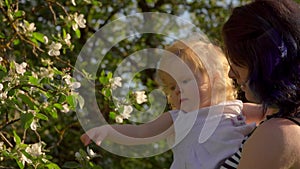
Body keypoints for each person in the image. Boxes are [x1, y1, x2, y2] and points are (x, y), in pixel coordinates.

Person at [81, 40, 256, 169]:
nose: (177, 90)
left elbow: (271, 112)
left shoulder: (236, 108)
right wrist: (107, 131)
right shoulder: (179, 118)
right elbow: (141, 132)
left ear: (215, 79)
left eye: (185, 81)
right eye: (173, 86)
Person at [219, 0, 300, 168]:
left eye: (237, 62)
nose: (230, 74)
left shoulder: (277, 134)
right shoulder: (281, 125)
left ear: (265, 62)